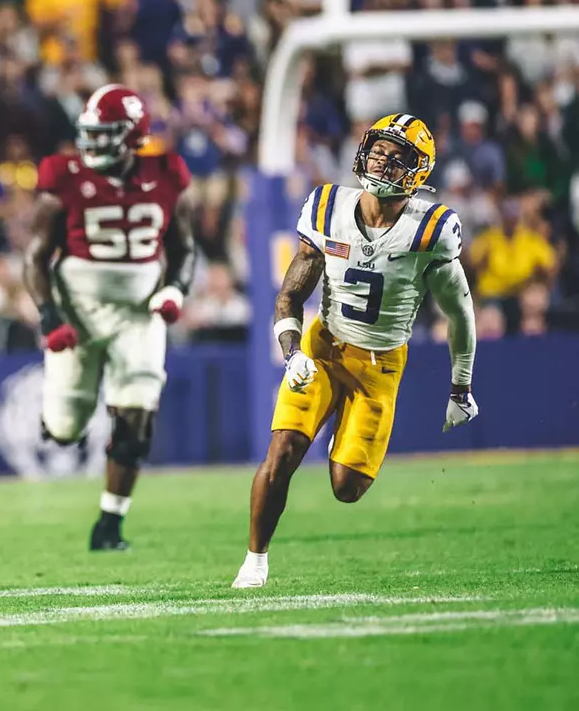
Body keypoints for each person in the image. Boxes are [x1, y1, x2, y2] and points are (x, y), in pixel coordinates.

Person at [233, 114, 479, 589]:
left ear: (419, 169)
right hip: (322, 346)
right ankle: (254, 563)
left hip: (380, 363)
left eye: (398, 157)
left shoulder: (430, 230)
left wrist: (461, 385)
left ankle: (343, 426)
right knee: (282, 450)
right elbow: (288, 296)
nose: (384, 162)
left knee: (346, 487)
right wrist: (292, 352)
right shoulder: (327, 207)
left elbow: (461, 315)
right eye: (379, 151)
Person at [24, 85, 196, 551]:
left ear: (133, 137)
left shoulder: (165, 173)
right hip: (78, 311)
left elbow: (184, 247)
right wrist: (50, 316)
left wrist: (176, 290)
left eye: (105, 135)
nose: (93, 145)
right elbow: (36, 257)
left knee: (137, 416)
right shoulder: (63, 175)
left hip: (139, 312)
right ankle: (55, 418)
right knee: (65, 427)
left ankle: (109, 524)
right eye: (90, 135)